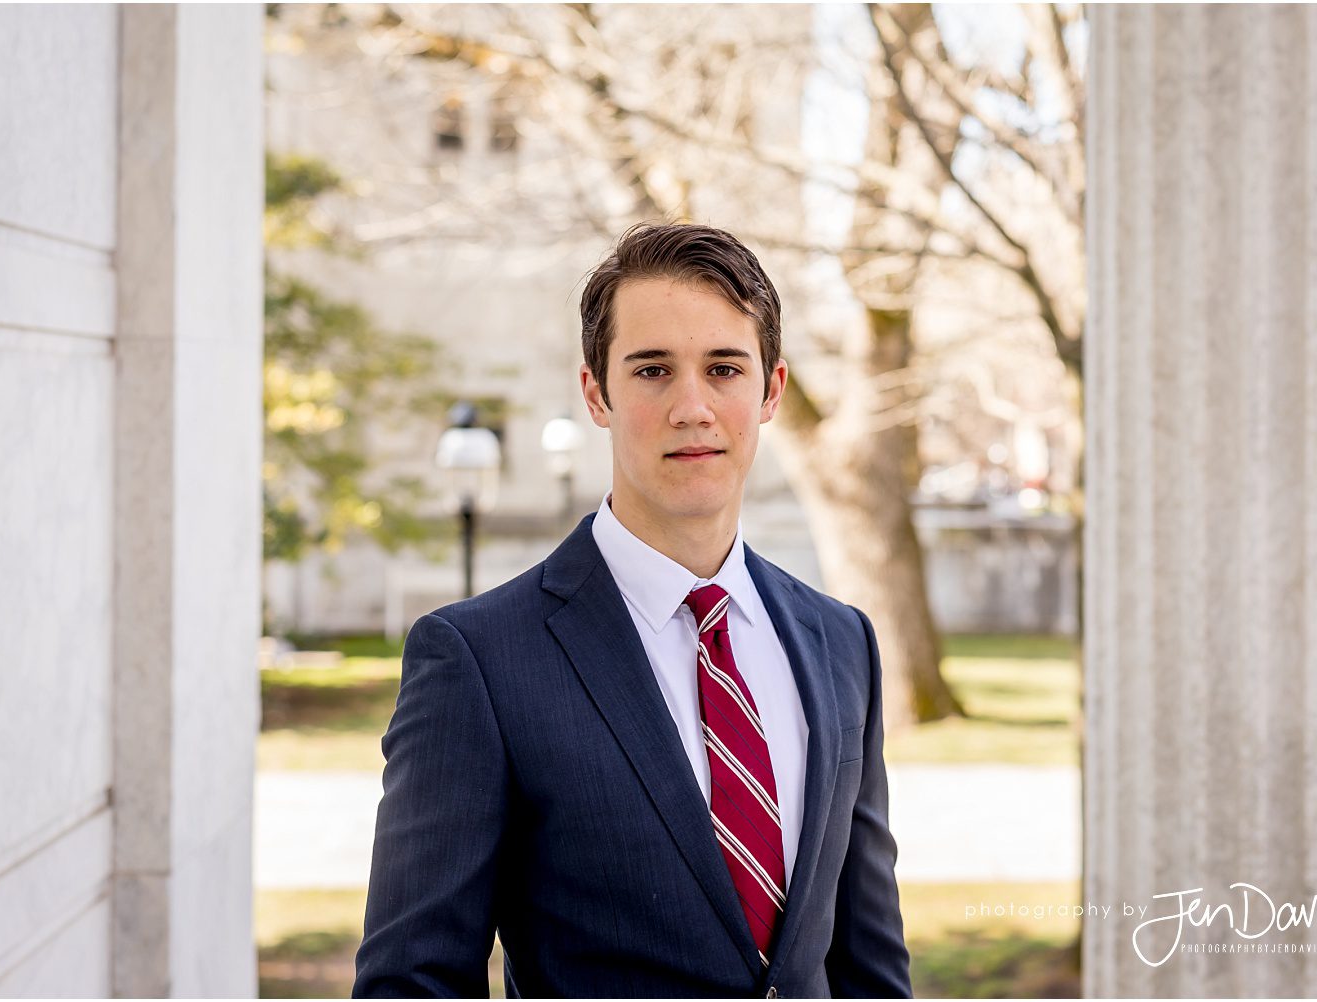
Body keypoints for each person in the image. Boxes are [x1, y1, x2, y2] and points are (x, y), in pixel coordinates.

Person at [354, 223, 911, 999]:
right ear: (596, 393)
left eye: (724, 368)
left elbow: (870, 969)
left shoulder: (840, 641)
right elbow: (411, 984)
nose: (693, 407)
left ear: (772, 389)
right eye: (652, 370)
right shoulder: (478, 661)